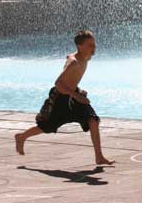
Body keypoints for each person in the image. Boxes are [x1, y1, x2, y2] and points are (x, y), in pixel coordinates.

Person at [14, 29, 115, 165]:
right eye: (90, 45)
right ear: (80, 46)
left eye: (94, 44)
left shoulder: (86, 57)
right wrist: (75, 95)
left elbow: (72, 79)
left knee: (93, 120)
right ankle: (21, 137)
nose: (93, 48)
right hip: (61, 97)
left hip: (73, 95)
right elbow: (58, 83)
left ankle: (99, 157)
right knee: (48, 127)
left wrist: (77, 90)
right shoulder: (73, 62)